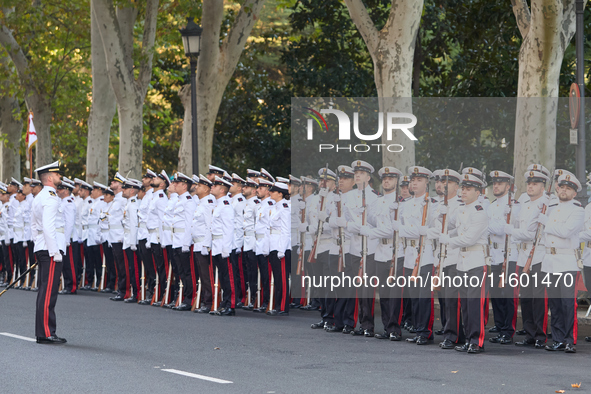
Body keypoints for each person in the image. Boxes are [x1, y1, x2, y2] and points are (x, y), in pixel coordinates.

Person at [439, 173, 489, 354]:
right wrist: (441, 217)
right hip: (462, 262)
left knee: (475, 304)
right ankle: (468, 339)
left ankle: (477, 341)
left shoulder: (480, 213)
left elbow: (468, 238)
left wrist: (447, 240)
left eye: (469, 189)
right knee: (466, 304)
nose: (464, 191)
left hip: (476, 261)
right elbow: (452, 228)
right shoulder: (460, 210)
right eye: (463, 188)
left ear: (478, 192)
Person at [504, 169, 551, 348]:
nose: (531, 187)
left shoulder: (545, 204)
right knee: (526, 297)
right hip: (523, 256)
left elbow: (530, 234)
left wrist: (512, 231)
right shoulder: (524, 203)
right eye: (529, 184)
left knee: (539, 299)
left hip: (538, 255)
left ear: (543, 186)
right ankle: (530, 334)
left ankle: (540, 335)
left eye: (535, 184)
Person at [540, 173, 584, 353]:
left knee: (567, 303)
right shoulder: (550, 207)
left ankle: (569, 340)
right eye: (562, 187)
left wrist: (547, 222)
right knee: (555, 304)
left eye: (569, 189)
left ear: (574, 193)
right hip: (550, 261)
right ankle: (558, 338)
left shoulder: (578, 210)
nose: (564, 190)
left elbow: (565, 231)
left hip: (566, 263)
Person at [31, 161, 66, 344]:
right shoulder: (51, 197)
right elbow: (48, 226)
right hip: (51, 248)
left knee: (45, 290)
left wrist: (38, 246)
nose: (60, 177)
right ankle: (46, 332)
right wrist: (54, 251)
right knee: (48, 292)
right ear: (50, 178)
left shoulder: (39, 196)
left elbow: (33, 226)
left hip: (42, 246)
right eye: (58, 175)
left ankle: (44, 331)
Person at [210, 176, 236, 315]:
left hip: (223, 246)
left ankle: (230, 305)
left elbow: (228, 229)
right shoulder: (219, 204)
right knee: (222, 277)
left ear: (221, 189)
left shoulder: (226, 205)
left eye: (215, 186)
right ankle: (224, 303)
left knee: (228, 277)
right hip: (217, 245)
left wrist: (226, 248)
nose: (211, 187)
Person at [171, 173, 196, 311]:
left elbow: (189, 224)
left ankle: (189, 298)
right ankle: (184, 296)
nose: (174, 184)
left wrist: (186, 243)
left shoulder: (188, 201)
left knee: (187, 272)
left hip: (183, 242)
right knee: (180, 271)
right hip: (176, 241)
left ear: (184, 186)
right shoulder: (180, 200)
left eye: (177, 183)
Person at [267, 182, 291, 316]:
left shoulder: (284, 208)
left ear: (280, 193)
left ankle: (282, 306)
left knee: (282, 278)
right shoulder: (275, 207)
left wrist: (282, 249)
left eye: (273, 191)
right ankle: (277, 305)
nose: (270, 192)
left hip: (281, 247)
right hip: (273, 245)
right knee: (277, 277)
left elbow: (286, 231)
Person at [57, 180, 78, 294]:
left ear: (66, 190)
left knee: (70, 263)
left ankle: (72, 286)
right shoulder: (62, 202)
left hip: (68, 238)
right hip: (64, 238)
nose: (58, 191)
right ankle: (67, 285)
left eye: (60, 189)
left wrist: (67, 239)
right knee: (65, 263)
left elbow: (69, 223)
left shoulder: (69, 203)